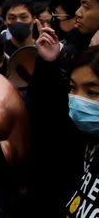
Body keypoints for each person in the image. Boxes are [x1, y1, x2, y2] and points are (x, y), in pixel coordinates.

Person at [28, 24, 99, 216]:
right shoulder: (79, 139)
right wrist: (48, 64)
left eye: (92, 92)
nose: (79, 100)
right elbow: (45, 113)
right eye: (73, 89)